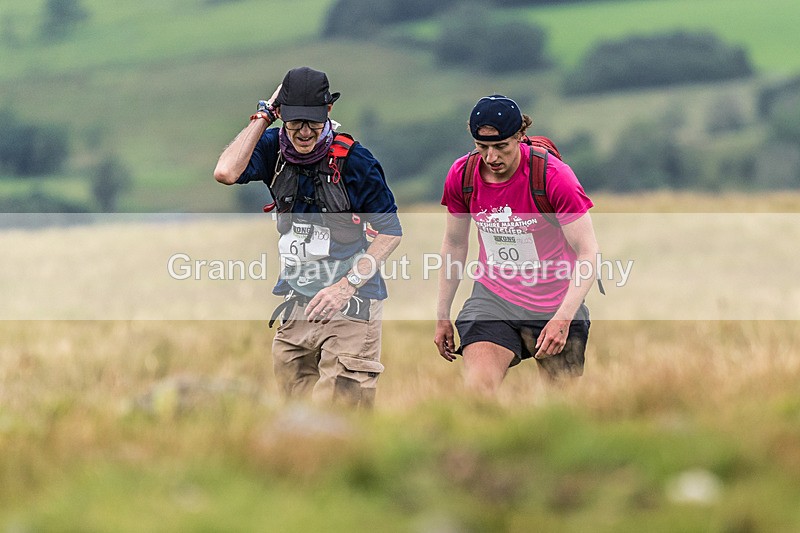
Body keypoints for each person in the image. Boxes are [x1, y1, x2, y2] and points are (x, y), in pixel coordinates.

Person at [214, 66, 402, 408]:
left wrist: (345, 287)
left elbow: (390, 232)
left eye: (313, 122)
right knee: (296, 418)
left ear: (328, 112)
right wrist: (264, 115)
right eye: (294, 121)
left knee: (343, 413)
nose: (303, 132)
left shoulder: (356, 162)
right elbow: (226, 172)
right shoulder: (272, 148)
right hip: (298, 306)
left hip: (351, 306)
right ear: (282, 115)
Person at [434, 95, 598, 395]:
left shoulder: (553, 177)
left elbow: (588, 252)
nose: (491, 157)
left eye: (501, 147)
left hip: (556, 302)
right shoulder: (463, 175)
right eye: (481, 147)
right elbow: (455, 243)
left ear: (520, 137)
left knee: (560, 410)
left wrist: (563, 319)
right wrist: (442, 314)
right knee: (478, 392)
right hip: (494, 299)